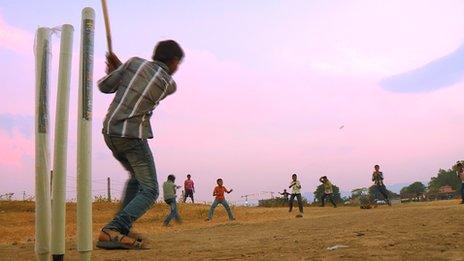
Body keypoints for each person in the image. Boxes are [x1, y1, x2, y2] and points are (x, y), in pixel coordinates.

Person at [96, 40, 184, 250]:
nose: (177, 69)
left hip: (110, 133)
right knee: (151, 189)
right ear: (173, 61)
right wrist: (122, 69)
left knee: (136, 180)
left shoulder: (134, 63)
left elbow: (104, 86)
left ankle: (121, 229)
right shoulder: (168, 84)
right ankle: (113, 229)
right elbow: (146, 85)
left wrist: (117, 71)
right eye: (178, 64)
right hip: (132, 136)